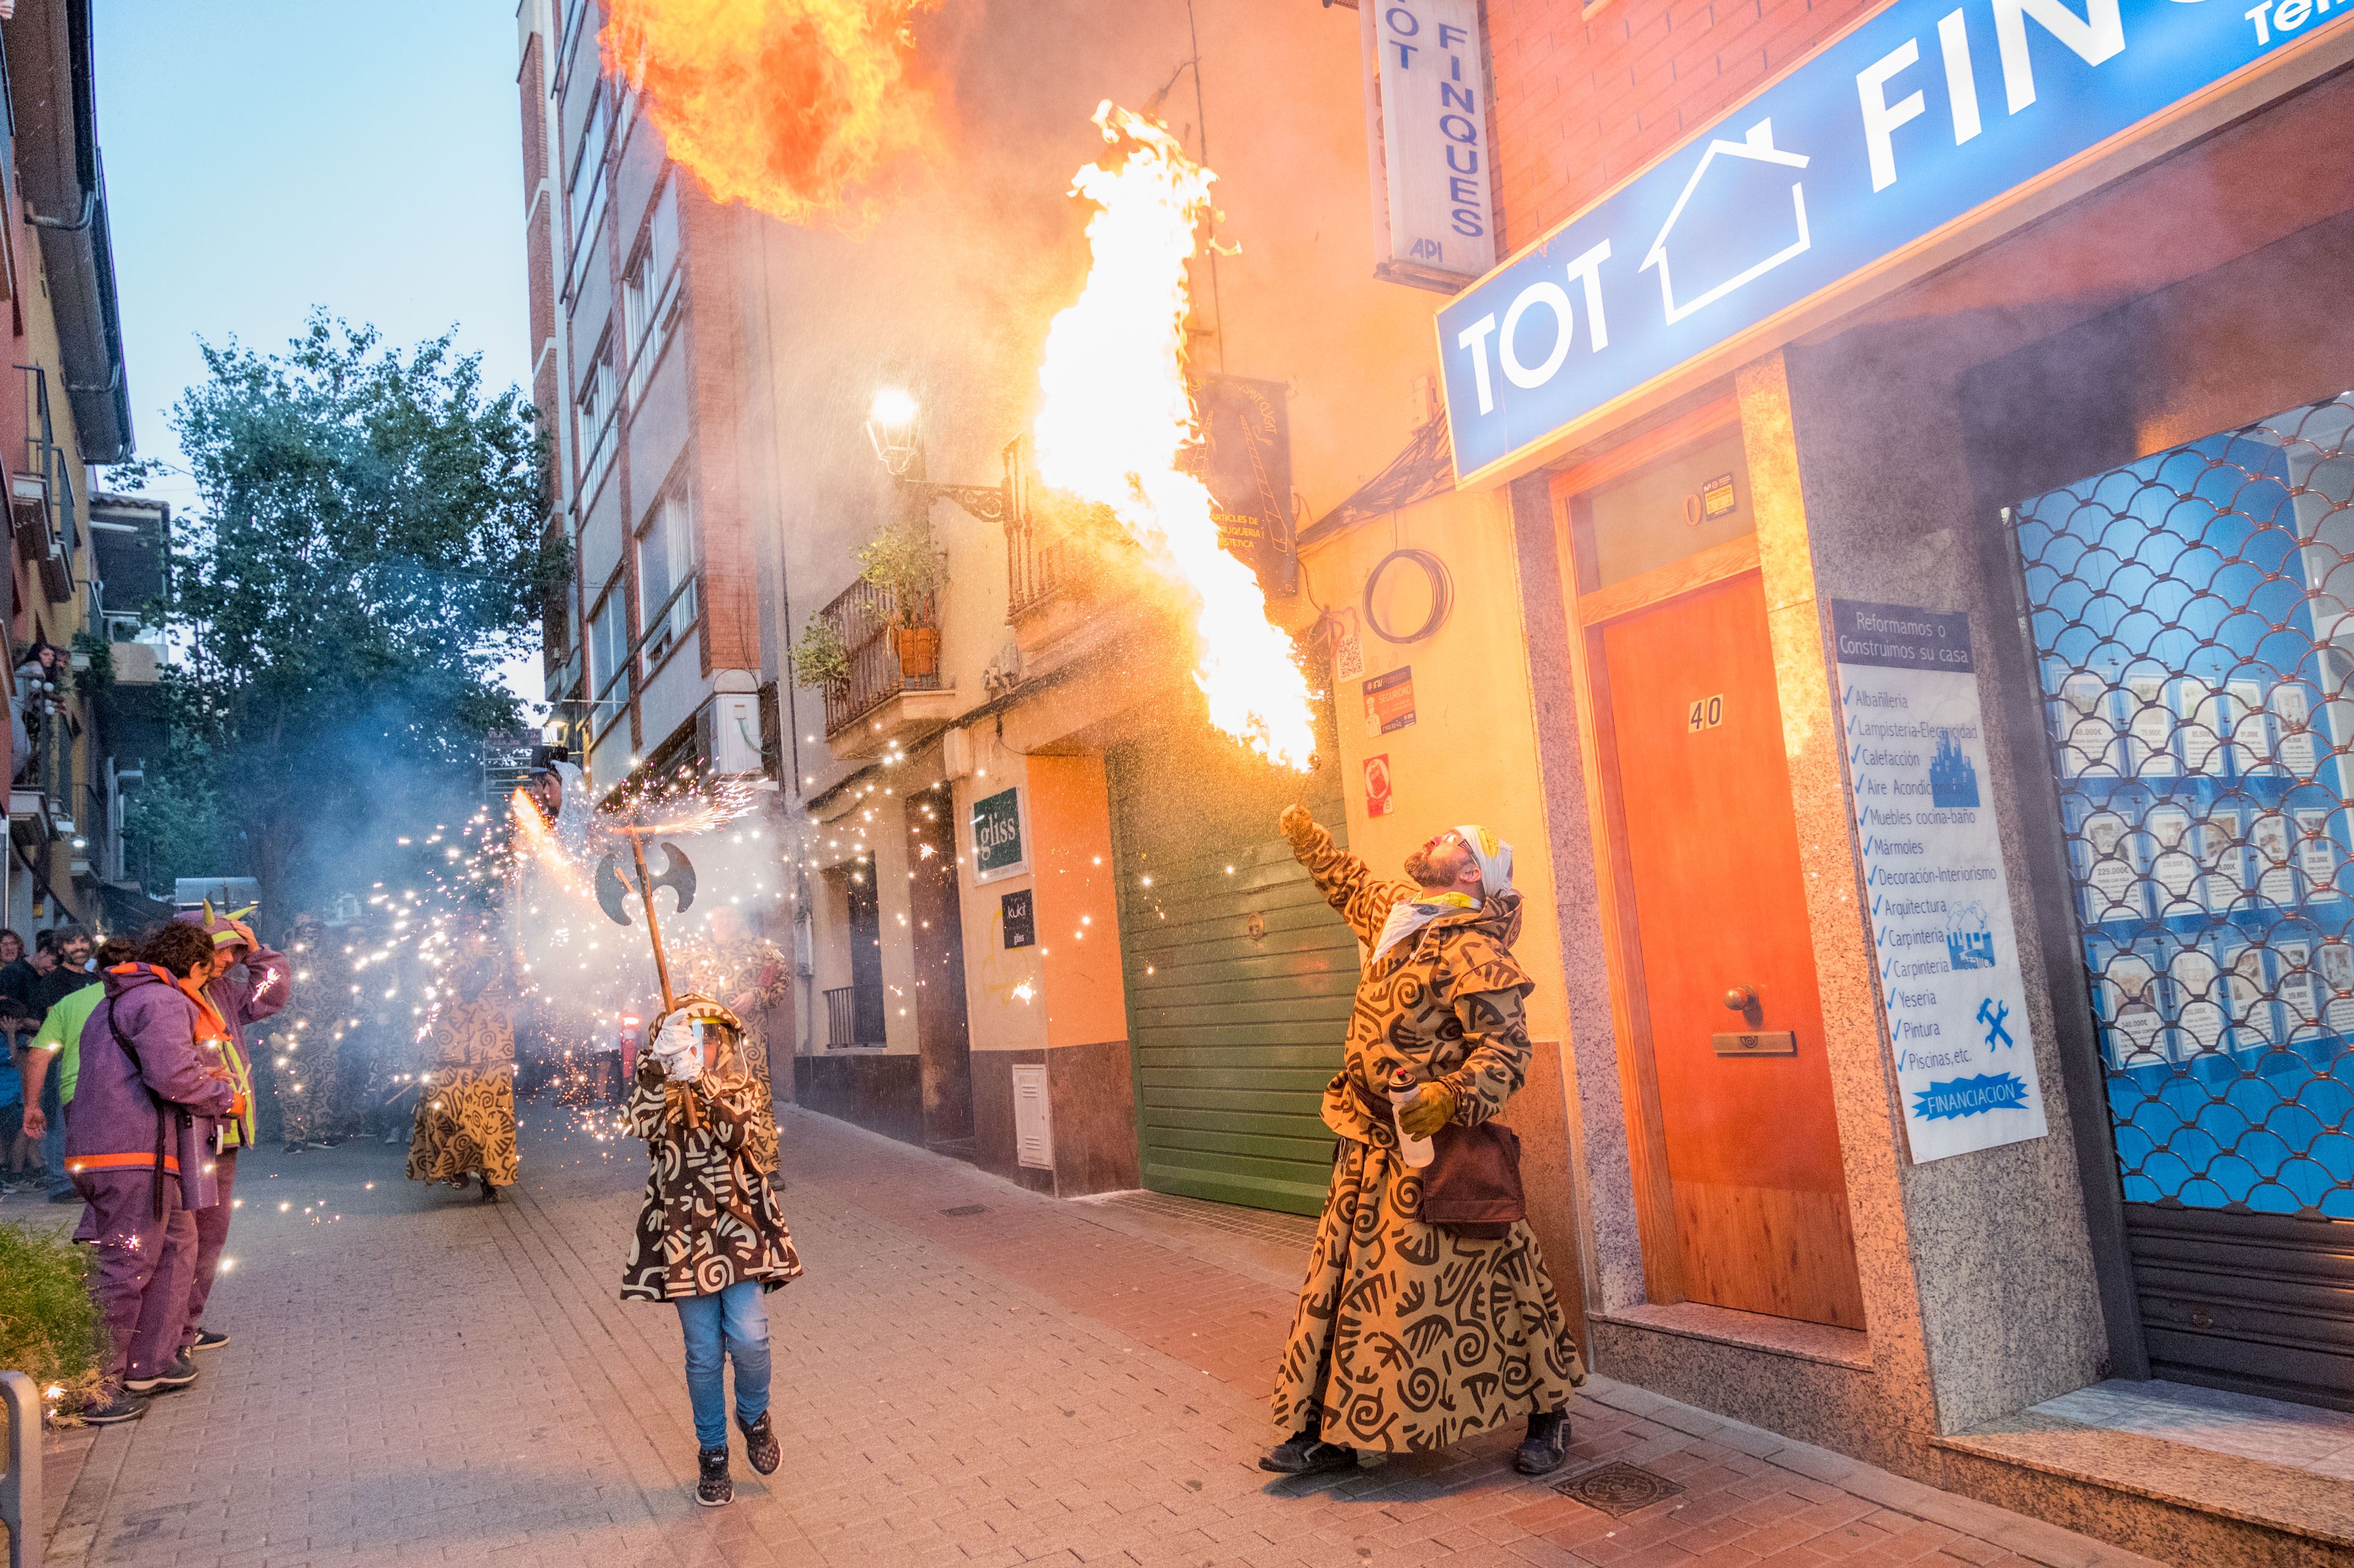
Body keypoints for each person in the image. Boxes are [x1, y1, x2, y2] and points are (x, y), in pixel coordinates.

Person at [1260, 808, 1585, 1478]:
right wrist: (1312, 842)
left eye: (1452, 840)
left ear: (1471, 872)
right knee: (1351, 1287)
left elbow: (1507, 1050)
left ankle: (1550, 1413)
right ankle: (1336, 1432)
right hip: (1369, 1143)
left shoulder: (1477, 949)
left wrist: (1451, 1096)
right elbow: (1348, 883)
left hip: (1439, 1158)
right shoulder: (1401, 916)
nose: (1434, 836)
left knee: (1497, 1281)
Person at [622, 996, 799, 1508]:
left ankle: (755, 1415)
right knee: (702, 1353)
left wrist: (697, 1077)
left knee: (749, 1337)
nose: (704, 1044)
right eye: (690, 1038)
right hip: (681, 1232)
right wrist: (662, 1070)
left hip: (736, 1224)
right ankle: (713, 1454)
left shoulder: (736, 1081)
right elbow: (641, 1124)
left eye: (710, 1036)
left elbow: (740, 1130)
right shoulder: (659, 1086)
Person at [64, 921, 241, 1423]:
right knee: (126, 1265)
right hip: (133, 1154)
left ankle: (148, 1364)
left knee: (176, 1244)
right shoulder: (163, 1000)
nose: (212, 983)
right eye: (210, 972)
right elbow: (170, 1077)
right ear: (196, 966)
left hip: (120, 1151)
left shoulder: (119, 1000)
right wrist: (223, 1097)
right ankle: (93, 1390)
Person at [170, 906, 289, 1359]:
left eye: (234, 953)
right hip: (187, 1131)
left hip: (224, 1131)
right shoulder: (168, 995)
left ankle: (187, 1326)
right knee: (184, 1239)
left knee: (210, 1237)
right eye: (222, 951)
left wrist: (260, 952)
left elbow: (272, 995)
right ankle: (168, 1335)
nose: (228, 961)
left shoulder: (223, 990)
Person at [406, 962, 518, 1200]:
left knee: (488, 1124)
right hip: (449, 1050)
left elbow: (523, 985)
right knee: (442, 1111)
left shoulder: (504, 953)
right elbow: (431, 986)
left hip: (492, 1052)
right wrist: (465, 956)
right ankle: (454, 1166)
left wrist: (514, 960)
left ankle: (489, 1177)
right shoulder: (444, 951)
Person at [692, 907, 791, 1104]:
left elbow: (780, 984)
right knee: (703, 1095)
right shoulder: (693, 951)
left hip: (746, 1038)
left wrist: (755, 996)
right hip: (701, 1037)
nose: (725, 921)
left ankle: (753, 1134)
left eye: (730, 915)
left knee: (748, 1096)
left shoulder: (762, 949)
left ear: (739, 918)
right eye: (720, 915)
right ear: (711, 919)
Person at [6, 931, 74, 1202]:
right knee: (31, 1111)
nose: (52, 970)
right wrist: (53, 1026)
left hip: (36, 1049)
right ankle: (17, 1171)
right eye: (52, 962)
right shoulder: (15, 974)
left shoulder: (39, 977)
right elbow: (13, 1017)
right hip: (21, 1052)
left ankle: (35, 1166)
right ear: (44, 953)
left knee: (41, 1111)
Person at [272, 913, 346, 1150]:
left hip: (325, 1033)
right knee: (293, 1087)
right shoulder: (283, 961)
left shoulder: (332, 960)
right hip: (291, 1033)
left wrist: (342, 1019)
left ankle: (319, 1132)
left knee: (326, 1084)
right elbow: (266, 996)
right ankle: (295, 1138)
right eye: (306, 928)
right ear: (297, 930)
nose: (311, 932)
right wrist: (273, 1030)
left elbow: (344, 991)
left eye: (316, 927)